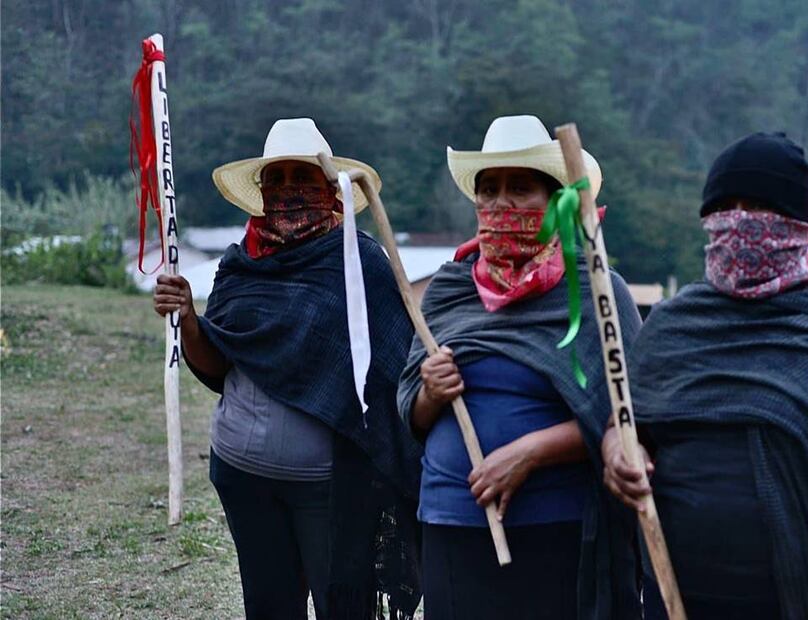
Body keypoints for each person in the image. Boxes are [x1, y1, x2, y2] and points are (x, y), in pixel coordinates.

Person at [603, 132, 808, 619]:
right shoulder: (674, 327)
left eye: (759, 205)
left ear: (799, 225)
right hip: (677, 598)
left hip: (804, 601)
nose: (741, 221)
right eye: (726, 207)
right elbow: (628, 422)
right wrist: (617, 447)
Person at [152, 118, 422, 620]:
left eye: (302, 178)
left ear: (328, 188)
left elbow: (393, 370)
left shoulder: (361, 262)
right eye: (276, 179)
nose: (288, 191)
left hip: (330, 487)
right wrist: (189, 319)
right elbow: (218, 365)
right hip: (241, 477)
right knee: (269, 607)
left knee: (344, 604)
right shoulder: (240, 265)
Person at [397, 115, 642, 619]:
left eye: (520, 188)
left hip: (555, 526)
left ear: (556, 202)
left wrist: (531, 451)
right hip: (451, 521)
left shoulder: (595, 289)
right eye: (489, 190)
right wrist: (430, 393)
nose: (500, 203)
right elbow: (414, 417)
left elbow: (629, 412)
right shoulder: (449, 289)